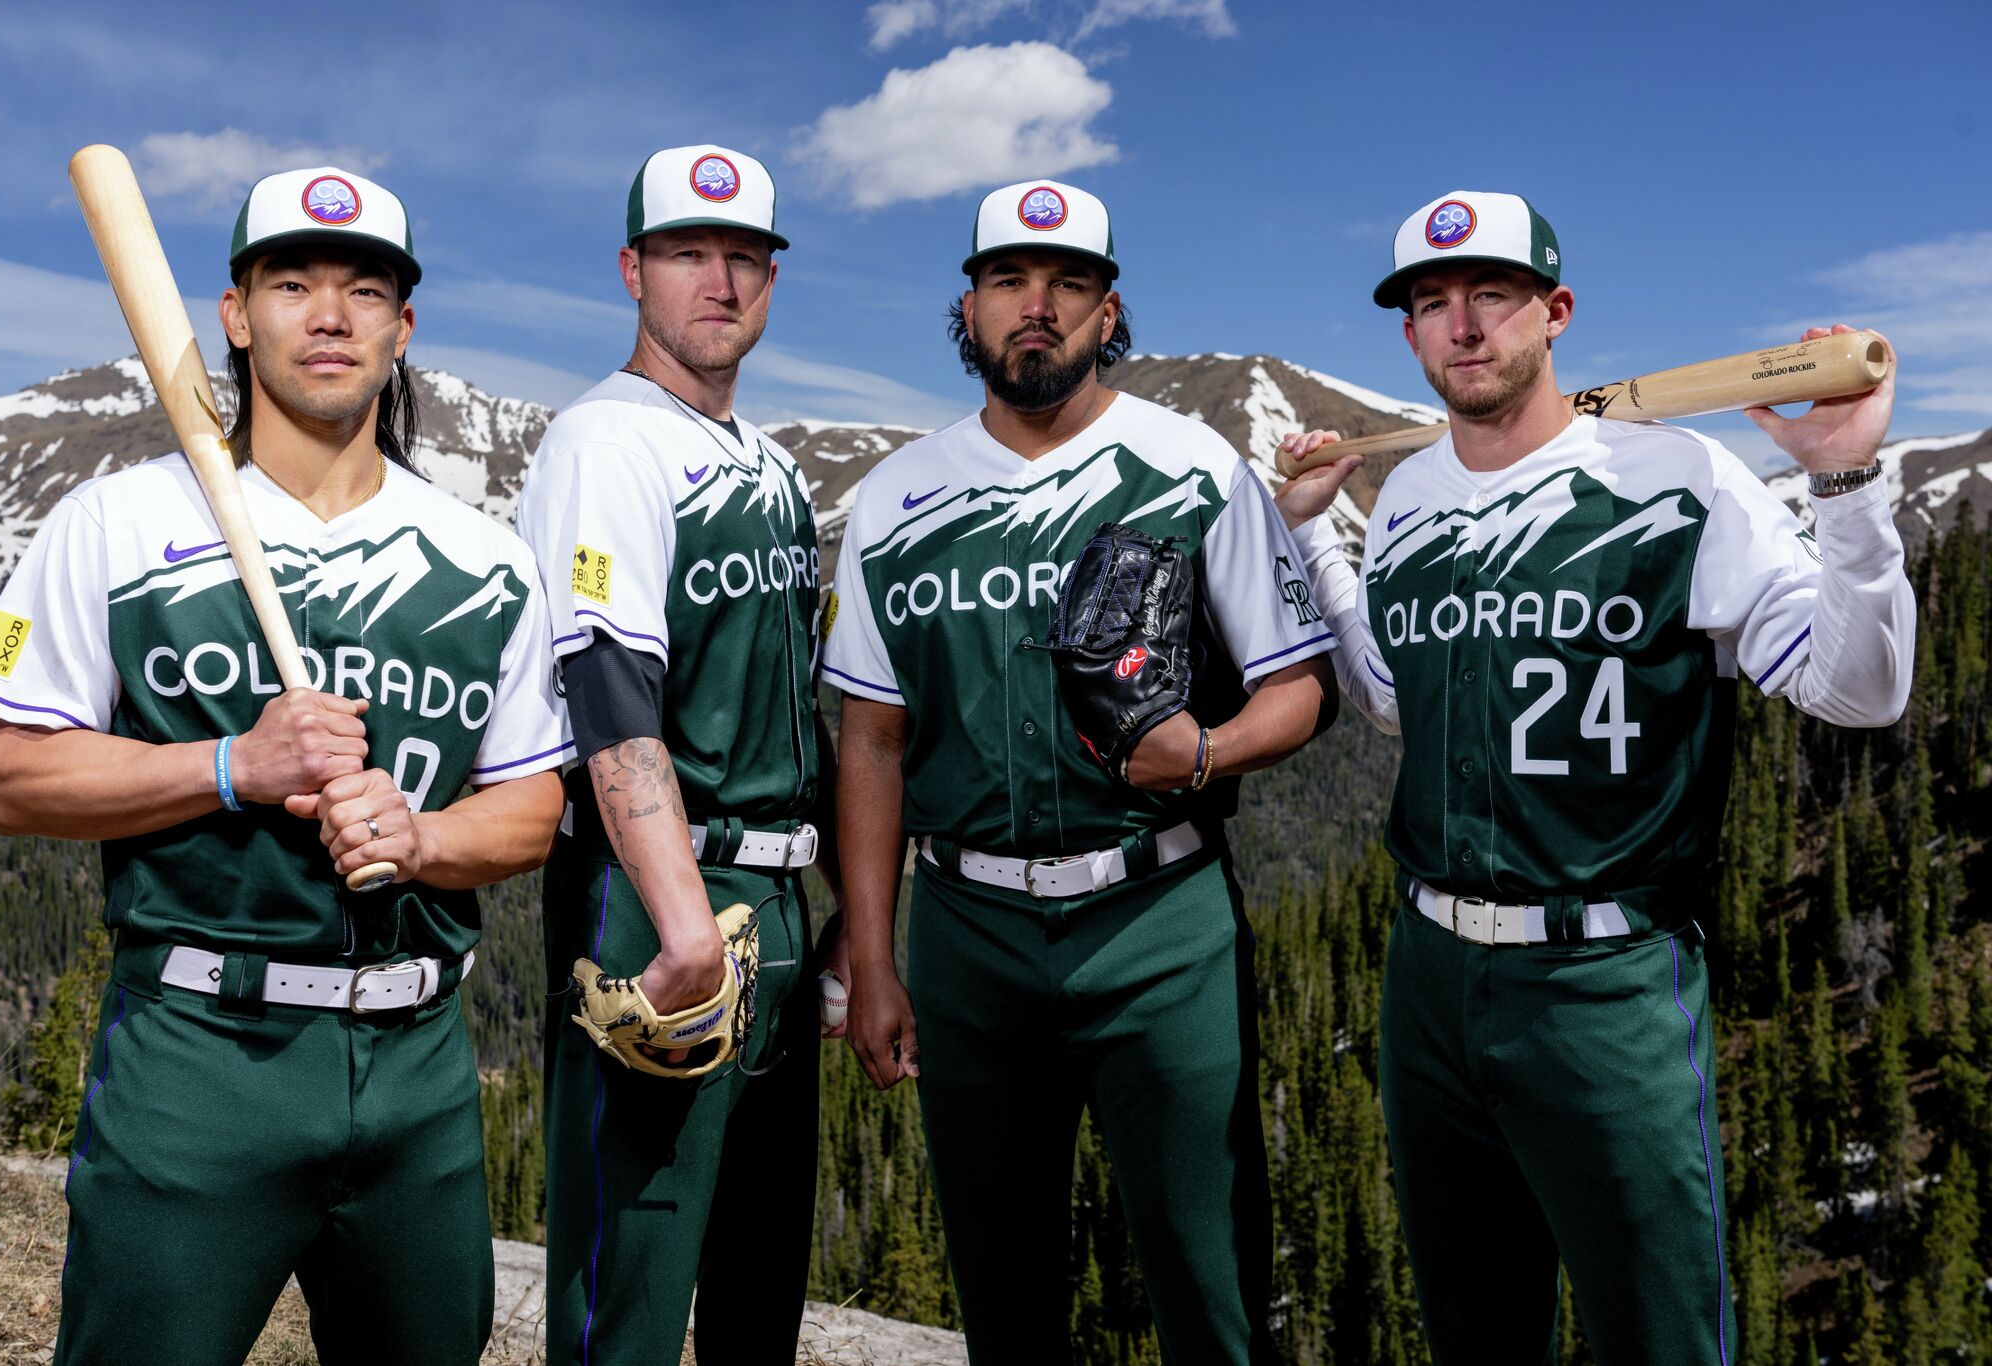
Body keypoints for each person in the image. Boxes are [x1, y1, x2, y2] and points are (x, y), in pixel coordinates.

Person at [1274, 189, 1914, 1365]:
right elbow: (1388, 698)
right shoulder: (1409, 495)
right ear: (1409, 336)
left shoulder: (1678, 476)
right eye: (1430, 303)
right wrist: (1317, 534)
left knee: (1655, 1331)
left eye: (1491, 296)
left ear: (1553, 312)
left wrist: (1845, 485)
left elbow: (1858, 688)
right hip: (1425, 973)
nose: (1461, 325)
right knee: (1473, 1327)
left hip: (1603, 976)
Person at [0, 165, 572, 1365]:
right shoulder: (117, 523)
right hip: (199, 1058)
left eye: (363, 289)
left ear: (403, 327)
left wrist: (425, 839)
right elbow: (6, 777)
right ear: (236, 317)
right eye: (291, 283)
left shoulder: (486, 557)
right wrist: (232, 764)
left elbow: (537, 804)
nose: (328, 315)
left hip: (418, 1074)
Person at [826, 177, 1339, 1364]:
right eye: (1008, 280)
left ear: (1110, 313)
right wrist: (871, 951)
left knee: (1208, 1274)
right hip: (965, 932)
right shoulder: (896, 497)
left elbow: (1298, 688)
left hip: (1157, 919)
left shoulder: (1191, 464)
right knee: (1000, 1291)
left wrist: (1205, 749)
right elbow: (871, 737)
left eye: (1067, 284)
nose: (1036, 307)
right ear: (969, 307)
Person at [514, 143, 842, 1366]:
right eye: (686, 253)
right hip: (660, 891)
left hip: (776, 891)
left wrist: (839, 912)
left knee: (759, 1275)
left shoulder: (766, 462)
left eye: (744, 257)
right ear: (631, 271)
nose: (719, 278)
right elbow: (606, 692)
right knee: (632, 1288)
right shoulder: (607, 440)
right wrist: (684, 924)